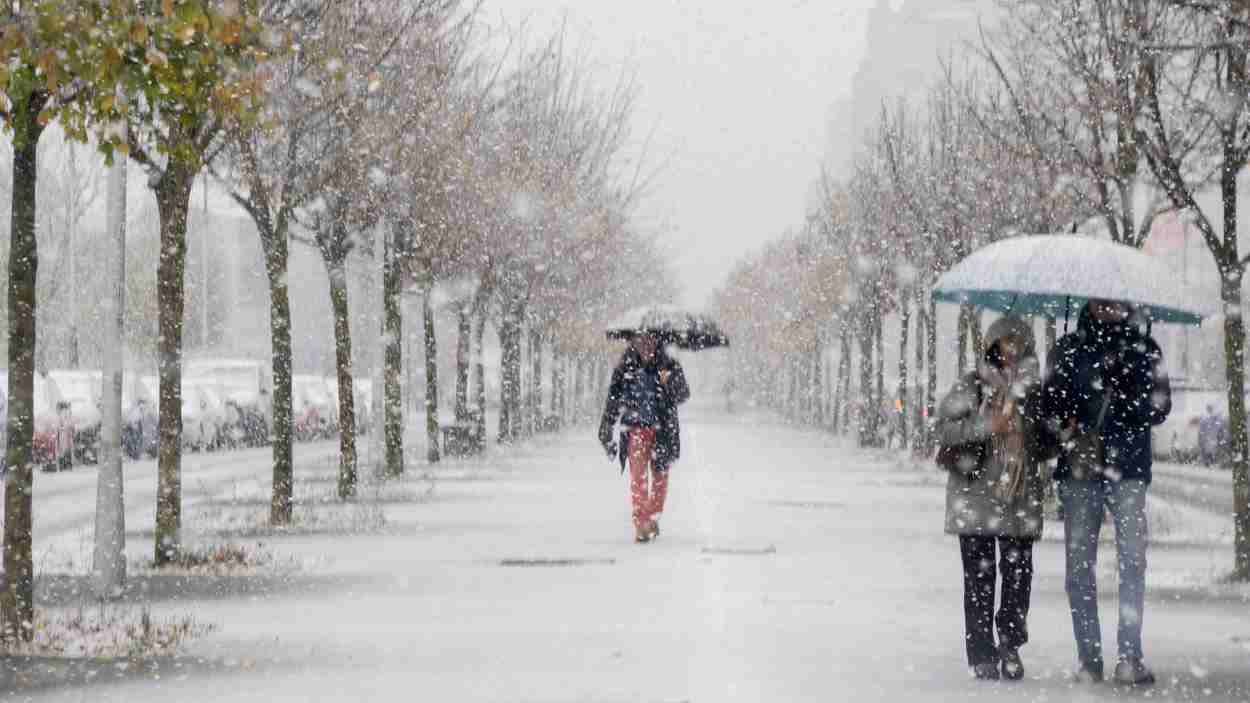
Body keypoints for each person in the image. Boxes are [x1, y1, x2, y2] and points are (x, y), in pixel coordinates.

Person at [1040, 299, 1171, 686]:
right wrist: (1073, 410)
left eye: (1116, 300)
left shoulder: (1145, 348)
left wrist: (1128, 387)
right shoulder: (1067, 349)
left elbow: (1160, 407)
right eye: (1101, 299)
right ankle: (1089, 659)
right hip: (1080, 468)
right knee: (1079, 568)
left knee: (1132, 562)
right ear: (1088, 301)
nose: (1109, 306)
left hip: (1128, 469)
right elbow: (1049, 408)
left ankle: (1129, 657)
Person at [936, 316, 1052, 681]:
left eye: (1019, 341)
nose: (1012, 347)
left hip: (1019, 498)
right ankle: (982, 652)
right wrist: (988, 426)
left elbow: (1047, 441)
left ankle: (1011, 645)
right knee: (979, 580)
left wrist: (1055, 429)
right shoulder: (972, 384)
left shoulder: (1036, 391)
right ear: (993, 345)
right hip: (975, 498)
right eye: (1005, 341)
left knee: (1018, 578)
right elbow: (943, 429)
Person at [598, 332, 691, 543]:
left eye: (651, 340)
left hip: (662, 431)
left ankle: (653, 516)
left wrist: (670, 382)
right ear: (633, 341)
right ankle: (641, 523)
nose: (646, 345)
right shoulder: (625, 366)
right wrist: (606, 426)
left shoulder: (669, 365)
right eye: (641, 340)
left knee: (660, 478)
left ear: (658, 342)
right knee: (638, 478)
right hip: (635, 430)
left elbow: (683, 394)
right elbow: (613, 399)